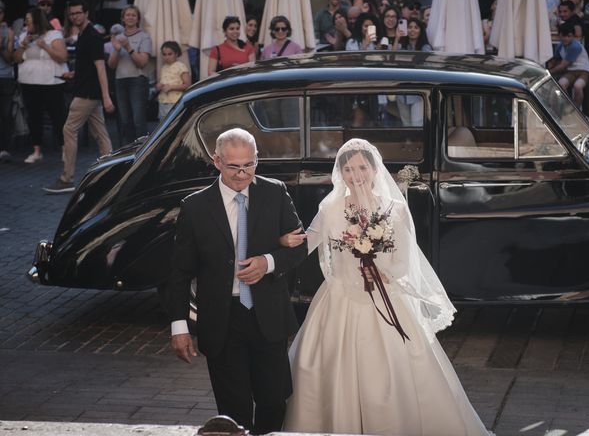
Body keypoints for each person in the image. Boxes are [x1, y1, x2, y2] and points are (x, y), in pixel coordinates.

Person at [280, 139, 492, 435]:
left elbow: (404, 259)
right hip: (340, 297)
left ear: (373, 169)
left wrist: (382, 273)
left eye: (362, 167)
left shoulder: (394, 208)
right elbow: (308, 242)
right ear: (340, 172)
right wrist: (280, 245)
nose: (356, 174)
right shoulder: (330, 207)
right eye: (349, 168)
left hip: (385, 295)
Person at [167, 127, 308, 434]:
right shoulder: (194, 207)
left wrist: (268, 262)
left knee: (273, 401)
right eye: (234, 166)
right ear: (217, 161)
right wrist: (179, 326)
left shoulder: (275, 192)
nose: (243, 174)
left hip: (267, 316)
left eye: (250, 164)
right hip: (222, 320)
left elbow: (301, 246)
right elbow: (179, 272)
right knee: (234, 412)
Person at [44, 0, 114, 194]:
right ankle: (111, 173)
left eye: (78, 13)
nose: (74, 16)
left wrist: (106, 96)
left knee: (69, 130)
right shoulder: (85, 35)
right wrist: (75, 74)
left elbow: (101, 68)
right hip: (87, 91)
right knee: (101, 134)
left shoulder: (92, 36)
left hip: (86, 94)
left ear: (86, 13)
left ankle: (67, 178)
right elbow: (90, 67)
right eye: (72, 14)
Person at [14, 7, 68, 164]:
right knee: (34, 116)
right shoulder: (24, 35)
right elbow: (16, 59)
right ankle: (37, 151)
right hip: (29, 82)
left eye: (28, 20)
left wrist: (45, 46)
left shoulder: (54, 35)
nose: (26, 23)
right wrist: (23, 45)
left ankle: (65, 149)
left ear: (37, 21)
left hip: (51, 82)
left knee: (57, 116)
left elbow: (62, 57)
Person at [107, 4, 152, 145]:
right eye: (128, 15)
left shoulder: (144, 37)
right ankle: (127, 152)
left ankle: (142, 150)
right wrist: (115, 50)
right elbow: (111, 65)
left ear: (138, 18)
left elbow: (143, 62)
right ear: (123, 18)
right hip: (120, 80)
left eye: (133, 15)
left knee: (138, 120)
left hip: (137, 81)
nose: (130, 17)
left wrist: (128, 47)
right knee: (124, 120)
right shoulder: (117, 37)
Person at [549, 23, 589, 108]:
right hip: (571, 72)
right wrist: (550, 66)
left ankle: (576, 108)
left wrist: (549, 72)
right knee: (561, 84)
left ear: (573, 36)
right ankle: (567, 106)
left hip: (584, 71)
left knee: (578, 86)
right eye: (563, 36)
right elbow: (555, 60)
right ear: (559, 36)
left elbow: (563, 66)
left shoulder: (575, 46)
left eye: (569, 36)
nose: (566, 39)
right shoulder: (560, 46)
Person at [156, 41, 191, 119]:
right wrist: (159, 85)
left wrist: (171, 87)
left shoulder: (181, 66)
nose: (167, 57)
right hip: (163, 101)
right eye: (164, 54)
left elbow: (188, 84)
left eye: (170, 54)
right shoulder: (164, 67)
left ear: (176, 53)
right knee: (163, 124)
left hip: (175, 102)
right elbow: (162, 81)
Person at [0, 0, 14, 162]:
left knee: (5, 114)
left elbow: (10, 59)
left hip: (6, 77)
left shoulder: (9, 32)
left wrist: (3, 46)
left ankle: (4, 148)